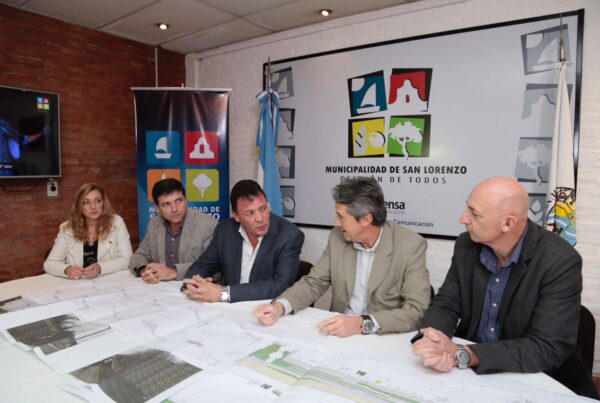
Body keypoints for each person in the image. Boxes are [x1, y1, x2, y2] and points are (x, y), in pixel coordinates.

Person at [411, 176, 598, 399]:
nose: (463, 218)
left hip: (537, 378)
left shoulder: (559, 260)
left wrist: (464, 354)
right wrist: (434, 340)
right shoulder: (466, 245)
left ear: (508, 223)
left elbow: (547, 347)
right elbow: (446, 304)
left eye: (474, 213)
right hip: (471, 376)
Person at [253, 177, 431, 337]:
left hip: (381, 336)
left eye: (341, 217)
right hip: (337, 334)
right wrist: (279, 307)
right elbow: (314, 282)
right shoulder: (337, 237)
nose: (336, 223)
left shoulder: (410, 246)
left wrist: (361, 324)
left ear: (366, 219)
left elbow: (416, 310)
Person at [182, 179, 304, 303]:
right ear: (236, 216)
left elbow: (280, 286)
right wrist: (194, 284)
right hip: (230, 309)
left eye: (263, 209)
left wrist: (224, 293)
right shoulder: (225, 230)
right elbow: (203, 265)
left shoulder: (289, 236)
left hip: (266, 308)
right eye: (250, 213)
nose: (260, 218)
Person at [129, 178, 217, 284]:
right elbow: (140, 255)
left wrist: (173, 272)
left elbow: (213, 265)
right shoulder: (154, 223)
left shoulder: (208, 225)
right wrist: (145, 270)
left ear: (186, 200)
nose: (174, 209)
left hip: (194, 287)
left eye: (178, 201)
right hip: (160, 288)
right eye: (166, 204)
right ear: (157, 208)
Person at [44, 183, 132, 279]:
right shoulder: (67, 228)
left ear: (104, 203)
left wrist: (101, 268)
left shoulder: (116, 223)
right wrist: (67, 269)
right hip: (78, 283)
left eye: (98, 201)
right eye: (86, 202)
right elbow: (49, 263)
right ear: (79, 206)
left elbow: (127, 259)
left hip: (109, 281)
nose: (93, 207)